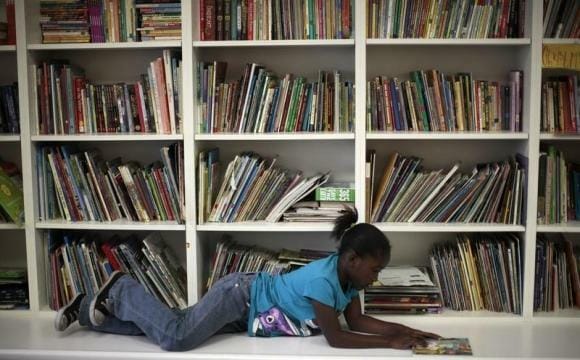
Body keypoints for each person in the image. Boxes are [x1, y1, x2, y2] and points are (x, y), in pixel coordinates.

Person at [55, 207, 440, 351]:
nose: (376, 278)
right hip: (241, 297)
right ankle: (122, 289)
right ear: (353, 259)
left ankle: (89, 312)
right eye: (374, 269)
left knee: (162, 326)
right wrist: (392, 343)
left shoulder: (350, 281)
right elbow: (337, 338)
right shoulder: (324, 282)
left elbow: (357, 320)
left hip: (252, 314)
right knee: (175, 337)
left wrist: (406, 330)